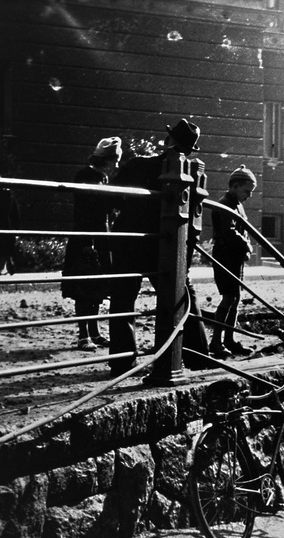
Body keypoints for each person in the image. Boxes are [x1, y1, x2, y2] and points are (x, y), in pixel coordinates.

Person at [108, 118, 210, 375]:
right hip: (166, 243)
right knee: (180, 295)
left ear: (168, 141)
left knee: (122, 299)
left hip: (129, 240)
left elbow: (113, 196)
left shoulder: (137, 165)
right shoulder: (193, 170)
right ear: (189, 148)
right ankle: (196, 355)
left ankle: (122, 361)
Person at [63, 136, 121, 350]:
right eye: (115, 161)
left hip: (100, 237)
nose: (116, 165)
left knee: (95, 288)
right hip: (88, 237)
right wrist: (89, 241)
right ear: (108, 159)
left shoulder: (100, 177)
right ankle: (83, 334)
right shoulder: (88, 176)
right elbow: (86, 212)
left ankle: (94, 332)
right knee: (85, 288)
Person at [209, 165, 257, 357]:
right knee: (228, 297)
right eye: (247, 191)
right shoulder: (224, 204)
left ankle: (229, 339)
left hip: (234, 258)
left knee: (235, 299)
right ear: (235, 186)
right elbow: (229, 232)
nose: (249, 196)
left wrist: (243, 247)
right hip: (225, 256)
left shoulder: (236, 203)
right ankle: (216, 342)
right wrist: (246, 245)